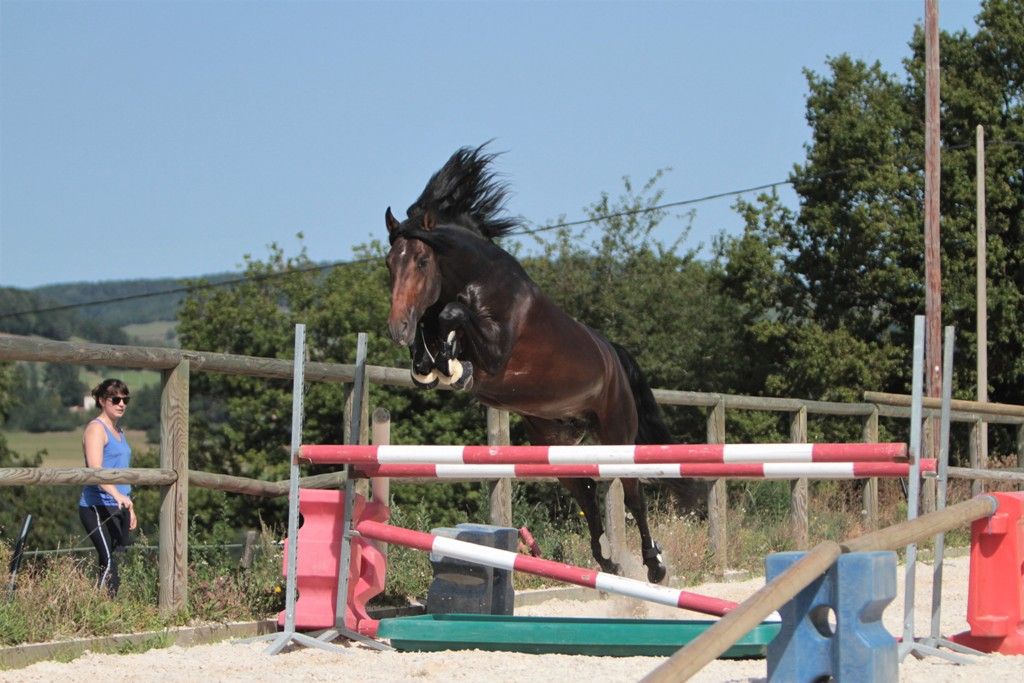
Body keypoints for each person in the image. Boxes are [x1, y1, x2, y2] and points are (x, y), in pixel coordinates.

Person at [79, 378, 137, 596]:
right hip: (95, 506)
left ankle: (106, 609)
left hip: (118, 506)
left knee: (112, 561)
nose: (121, 404)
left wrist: (129, 507)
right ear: (103, 401)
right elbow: (96, 472)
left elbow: (122, 474)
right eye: (116, 399)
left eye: (125, 399)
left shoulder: (119, 431)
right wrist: (117, 496)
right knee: (109, 559)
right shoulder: (96, 429)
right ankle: (97, 609)